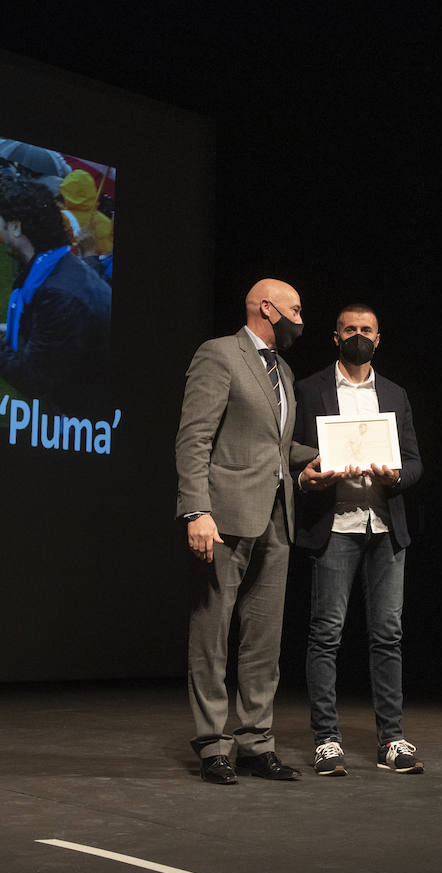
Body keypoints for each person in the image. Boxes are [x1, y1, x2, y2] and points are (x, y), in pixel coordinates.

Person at [175, 278, 338, 785]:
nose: (301, 318)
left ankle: (255, 741)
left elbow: (273, 445)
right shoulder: (219, 355)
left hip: (277, 515)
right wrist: (195, 510)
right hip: (223, 516)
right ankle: (211, 743)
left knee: (264, 640)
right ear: (267, 307)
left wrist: (312, 462)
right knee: (213, 632)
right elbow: (195, 437)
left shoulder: (283, 370)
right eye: (296, 308)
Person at [293, 303, 424, 776]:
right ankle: (326, 740)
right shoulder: (309, 389)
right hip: (335, 526)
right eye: (349, 328)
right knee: (326, 634)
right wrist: (310, 476)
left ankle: (393, 740)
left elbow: (414, 462)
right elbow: (293, 454)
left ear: (378, 337)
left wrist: (395, 476)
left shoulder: (394, 393)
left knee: (388, 635)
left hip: (385, 527)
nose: (358, 335)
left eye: (366, 329)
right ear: (335, 337)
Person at [0, 179, 111, 414]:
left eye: (0, 219)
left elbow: (34, 380)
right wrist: (19, 329)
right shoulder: (56, 263)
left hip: (80, 411)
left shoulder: (58, 293)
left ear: (16, 227)